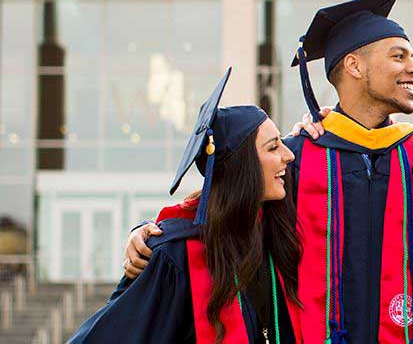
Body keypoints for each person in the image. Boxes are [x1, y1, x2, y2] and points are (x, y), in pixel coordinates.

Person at [122, 0, 413, 343]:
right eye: (399, 56)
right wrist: (150, 234)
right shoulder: (299, 157)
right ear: (355, 66)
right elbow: (229, 207)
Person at [69, 69, 302, 344]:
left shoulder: (274, 232)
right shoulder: (176, 255)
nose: (289, 155)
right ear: (243, 167)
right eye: (274, 148)